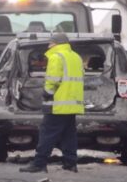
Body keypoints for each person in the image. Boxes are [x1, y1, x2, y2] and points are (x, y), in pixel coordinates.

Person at [19, 33, 84, 173]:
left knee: (47, 133)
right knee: (69, 134)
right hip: (72, 103)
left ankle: (39, 163)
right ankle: (70, 163)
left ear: (55, 43)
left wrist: (47, 92)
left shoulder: (56, 57)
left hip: (58, 103)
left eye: (50, 43)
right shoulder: (76, 57)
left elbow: (53, 79)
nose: (48, 45)